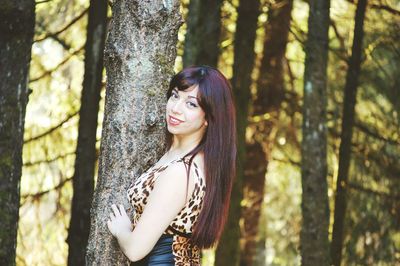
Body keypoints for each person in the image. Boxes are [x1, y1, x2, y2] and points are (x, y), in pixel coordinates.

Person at [106, 65, 237, 265]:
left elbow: (134, 250)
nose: (175, 108)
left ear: (209, 117)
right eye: (175, 96)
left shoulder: (180, 171)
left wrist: (122, 229)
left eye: (191, 104)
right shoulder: (188, 159)